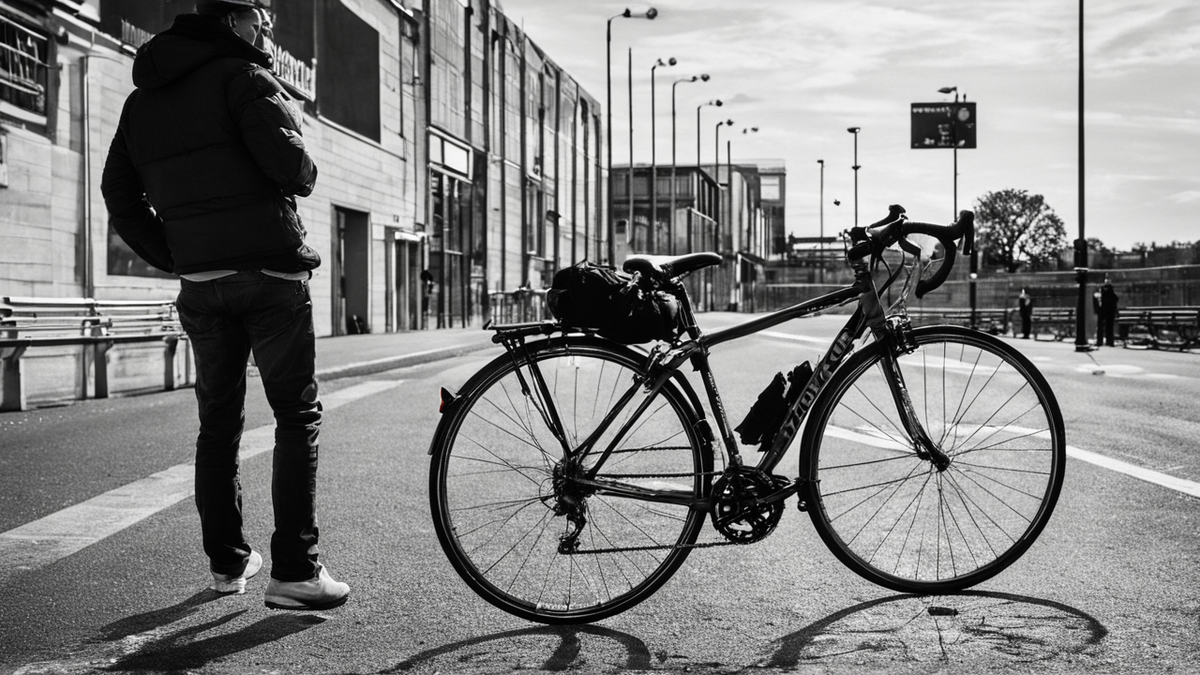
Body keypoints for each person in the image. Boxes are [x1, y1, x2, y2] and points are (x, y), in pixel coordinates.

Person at [101, 0, 349, 610]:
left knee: (219, 423)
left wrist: (179, 253)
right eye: (261, 17)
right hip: (268, 275)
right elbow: (294, 171)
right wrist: (297, 143)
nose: (268, 27)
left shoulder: (142, 102)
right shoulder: (244, 78)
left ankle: (228, 563)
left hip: (201, 284)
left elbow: (118, 193)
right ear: (233, 21)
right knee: (296, 416)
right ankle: (295, 570)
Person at [1093, 279, 1119, 348]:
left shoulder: (1100, 291)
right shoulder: (1111, 291)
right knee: (1108, 326)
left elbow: (1097, 300)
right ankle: (1109, 341)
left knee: (1101, 326)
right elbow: (1115, 299)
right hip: (1109, 310)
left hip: (1102, 310)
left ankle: (1100, 341)